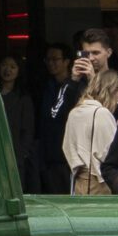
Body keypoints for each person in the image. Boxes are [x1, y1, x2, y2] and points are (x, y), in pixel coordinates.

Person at [61, 60, 118, 195]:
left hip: (78, 180)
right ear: (113, 90)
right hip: (99, 181)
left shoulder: (75, 112)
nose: (117, 102)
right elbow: (109, 154)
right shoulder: (102, 113)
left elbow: (66, 146)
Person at [35, 47, 72, 192]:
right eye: (48, 60)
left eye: (55, 59)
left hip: (68, 154)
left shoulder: (75, 86)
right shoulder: (43, 85)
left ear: (67, 62)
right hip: (47, 153)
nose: (51, 63)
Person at [0, 53, 35, 177]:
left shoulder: (23, 98)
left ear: (19, 70)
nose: (7, 70)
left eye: (13, 67)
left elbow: (28, 130)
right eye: (4, 65)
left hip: (15, 155)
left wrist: (21, 155)